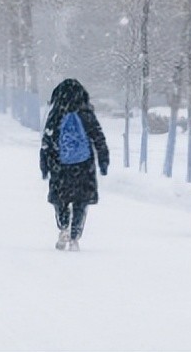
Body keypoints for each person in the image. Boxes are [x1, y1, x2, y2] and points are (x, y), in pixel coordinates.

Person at [40, 78, 109, 251]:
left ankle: (64, 227)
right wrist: (103, 160)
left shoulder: (56, 114)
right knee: (80, 202)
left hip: (60, 166)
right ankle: (75, 237)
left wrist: (44, 165)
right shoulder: (86, 113)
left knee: (61, 200)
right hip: (83, 166)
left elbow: (46, 141)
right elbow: (98, 137)